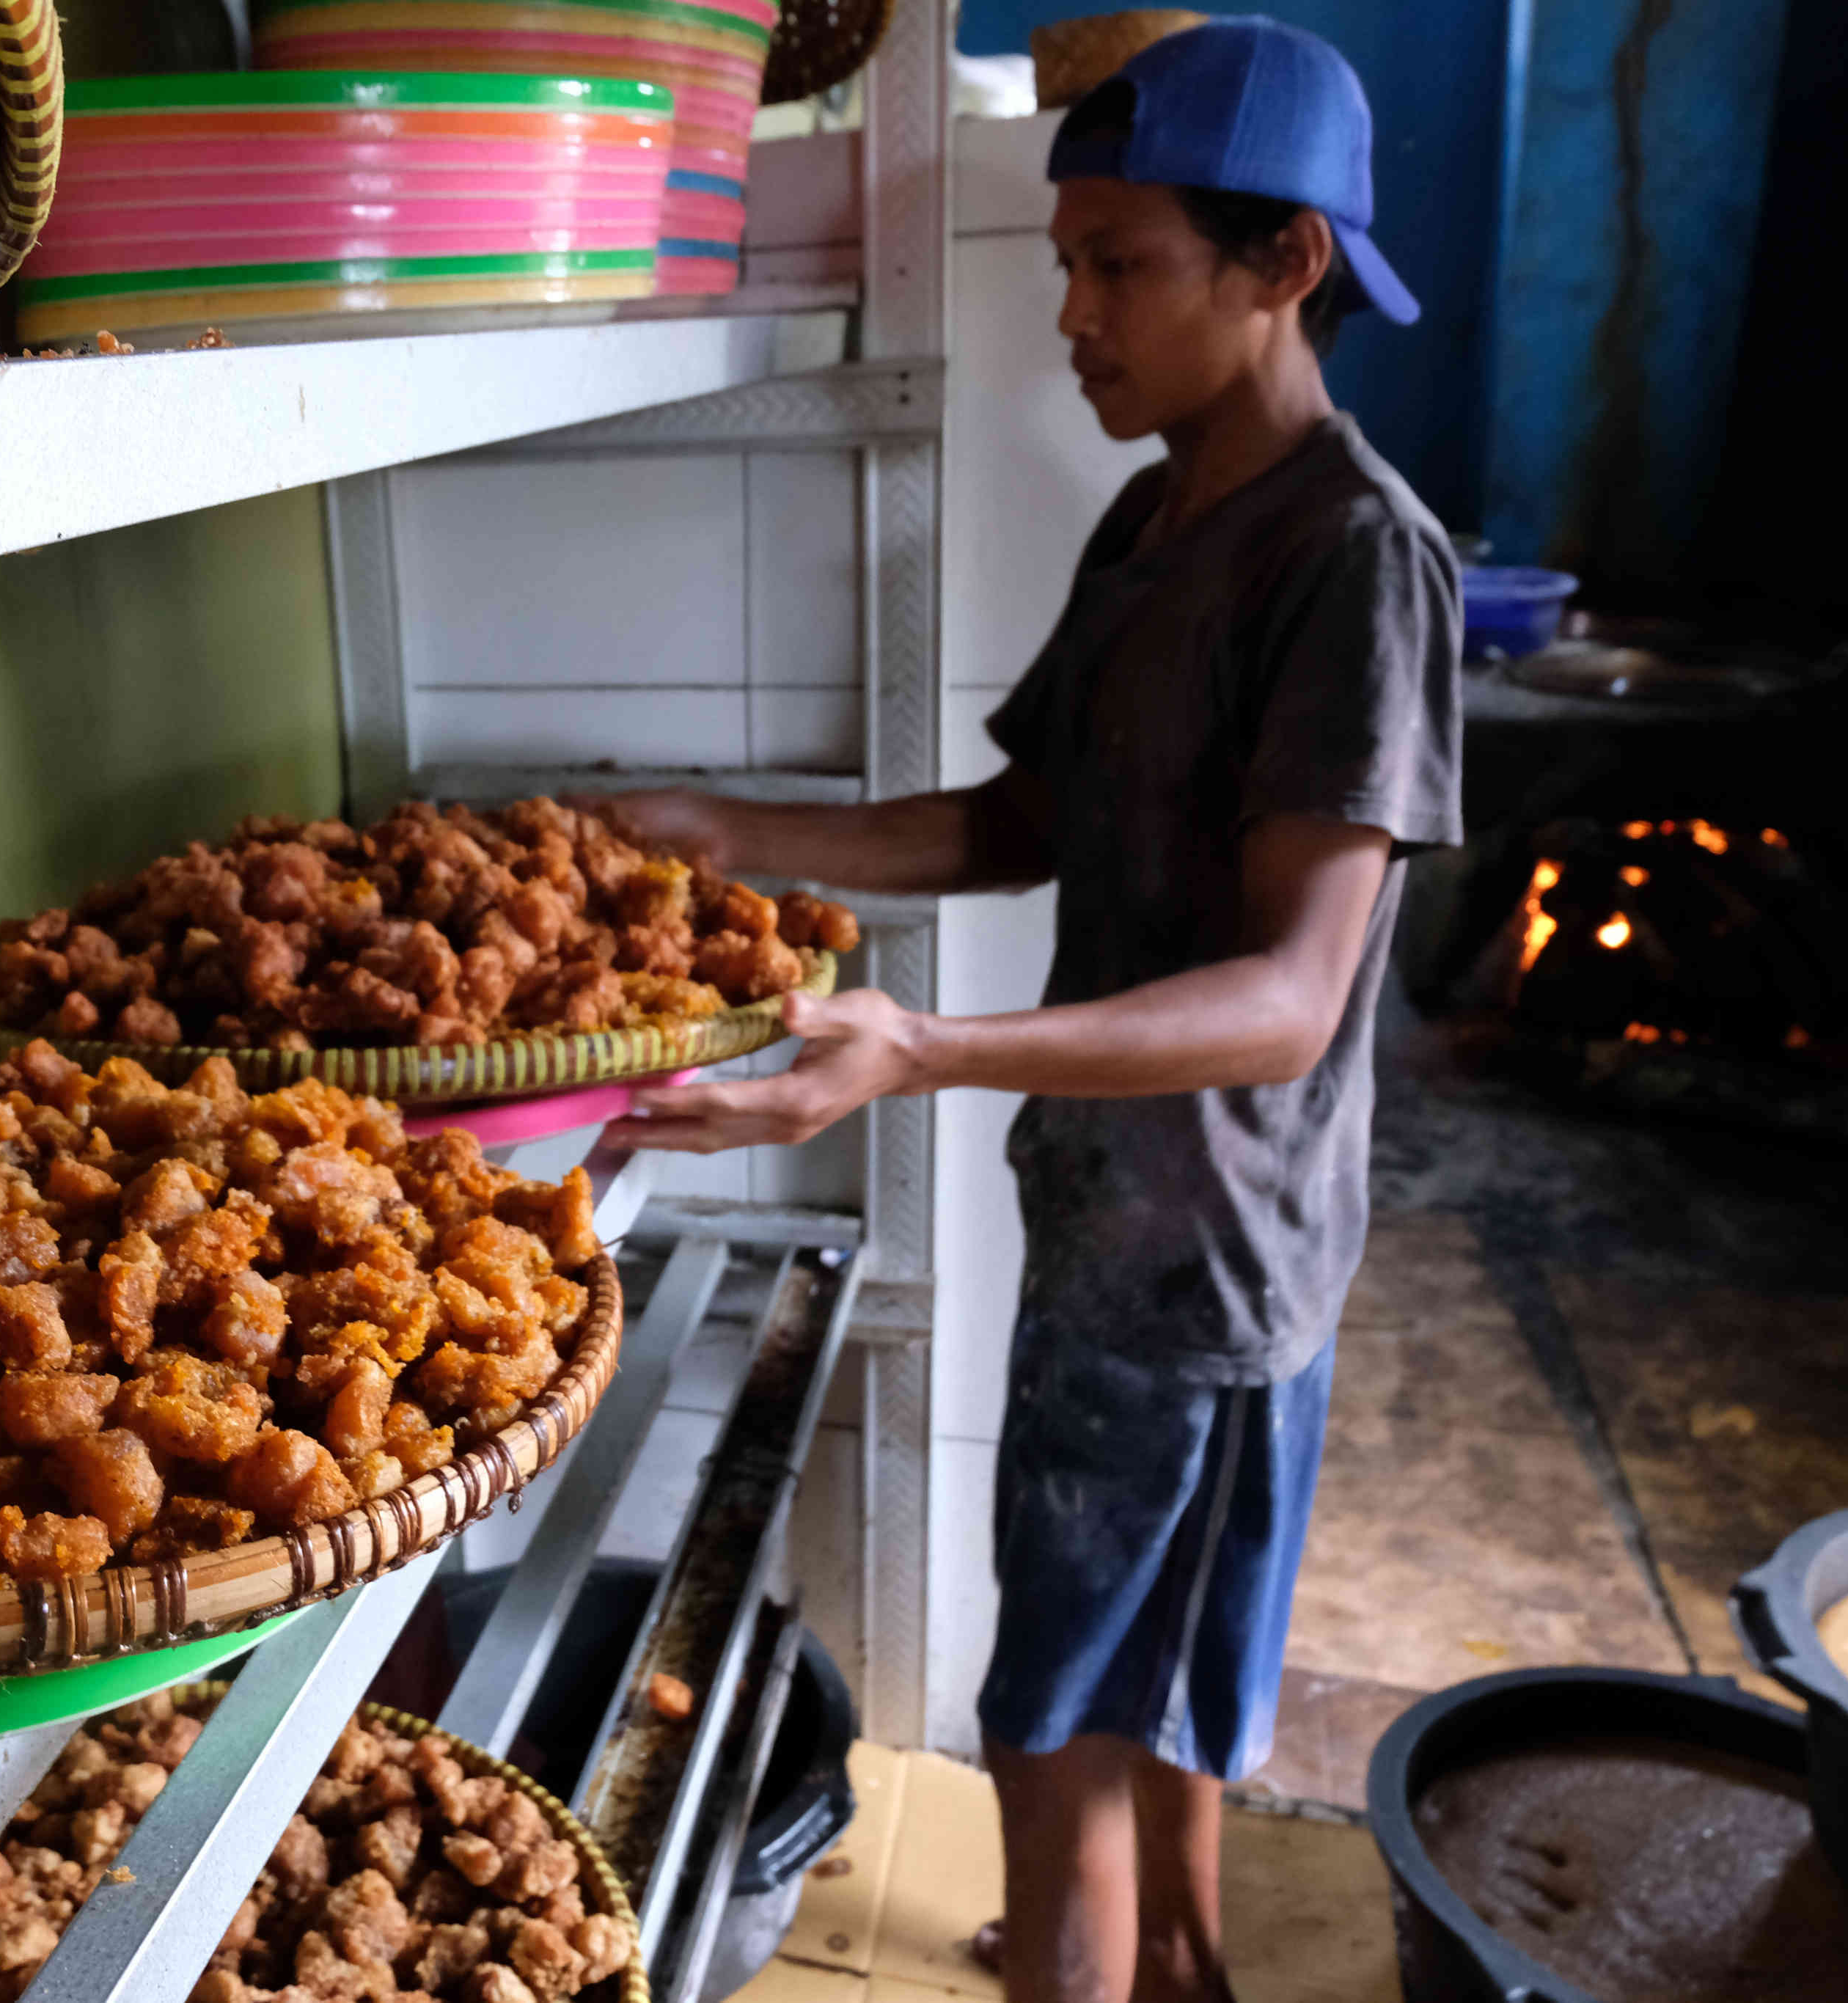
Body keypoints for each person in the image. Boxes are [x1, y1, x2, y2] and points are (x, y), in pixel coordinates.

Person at [595, 19, 1461, 2003]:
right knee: (1148, 1671)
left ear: (1285, 267)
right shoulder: (1155, 522)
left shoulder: (1351, 559)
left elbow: (1287, 999)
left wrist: (924, 1050)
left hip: (1210, 1274)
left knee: (1048, 1727)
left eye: (1121, 263)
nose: (1069, 311)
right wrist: (729, 831)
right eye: (1067, 256)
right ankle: (1182, 1960)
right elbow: (1022, 820)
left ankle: (1106, 1960)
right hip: (1110, 1222)